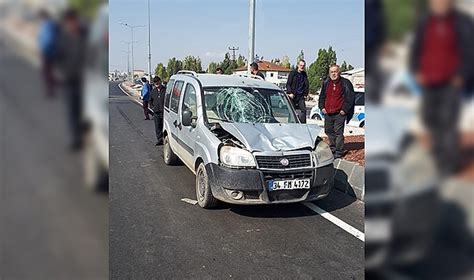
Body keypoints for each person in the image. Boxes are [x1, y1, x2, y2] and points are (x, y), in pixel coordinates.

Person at [410, 0, 474, 176]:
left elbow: (469, 50)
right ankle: (437, 158)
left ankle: (447, 164)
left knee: (447, 122)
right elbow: (416, 49)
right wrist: (417, 71)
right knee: (431, 121)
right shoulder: (425, 23)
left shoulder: (461, 22)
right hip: (429, 82)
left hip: (450, 83)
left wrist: (462, 74)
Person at [56, 9, 87, 150]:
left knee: (85, 109)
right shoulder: (63, 39)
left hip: (84, 81)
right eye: (68, 23)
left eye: (72, 22)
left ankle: (85, 131)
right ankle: (76, 139)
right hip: (69, 81)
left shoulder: (85, 36)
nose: (71, 25)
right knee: (72, 110)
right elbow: (59, 59)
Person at [318, 64, 355, 158]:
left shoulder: (345, 83)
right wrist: (322, 107)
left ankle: (338, 152)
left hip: (339, 113)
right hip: (328, 113)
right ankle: (333, 148)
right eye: (331, 72)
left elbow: (350, 98)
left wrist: (344, 110)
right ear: (329, 73)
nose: (333, 74)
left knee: (338, 133)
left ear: (339, 72)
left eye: (335, 72)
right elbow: (322, 96)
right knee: (329, 131)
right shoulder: (326, 82)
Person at [38, 9, 59, 98]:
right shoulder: (48, 24)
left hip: (47, 52)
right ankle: (54, 86)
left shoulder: (47, 25)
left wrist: (44, 51)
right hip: (49, 51)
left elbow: (48, 40)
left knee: (46, 72)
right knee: (48, 72)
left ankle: (51, 90)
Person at [149, 76, 166, 145]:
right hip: (156, 113)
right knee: (157, 127)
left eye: (157, 82)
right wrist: (152, 107)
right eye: (155, 83)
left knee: (164, 126)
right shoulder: (153, 91)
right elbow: (150, 100)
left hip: (164, 112)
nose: (157, 84)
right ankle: (159, 139)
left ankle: (165, 139)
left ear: (160, 81)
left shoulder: (165, 90)